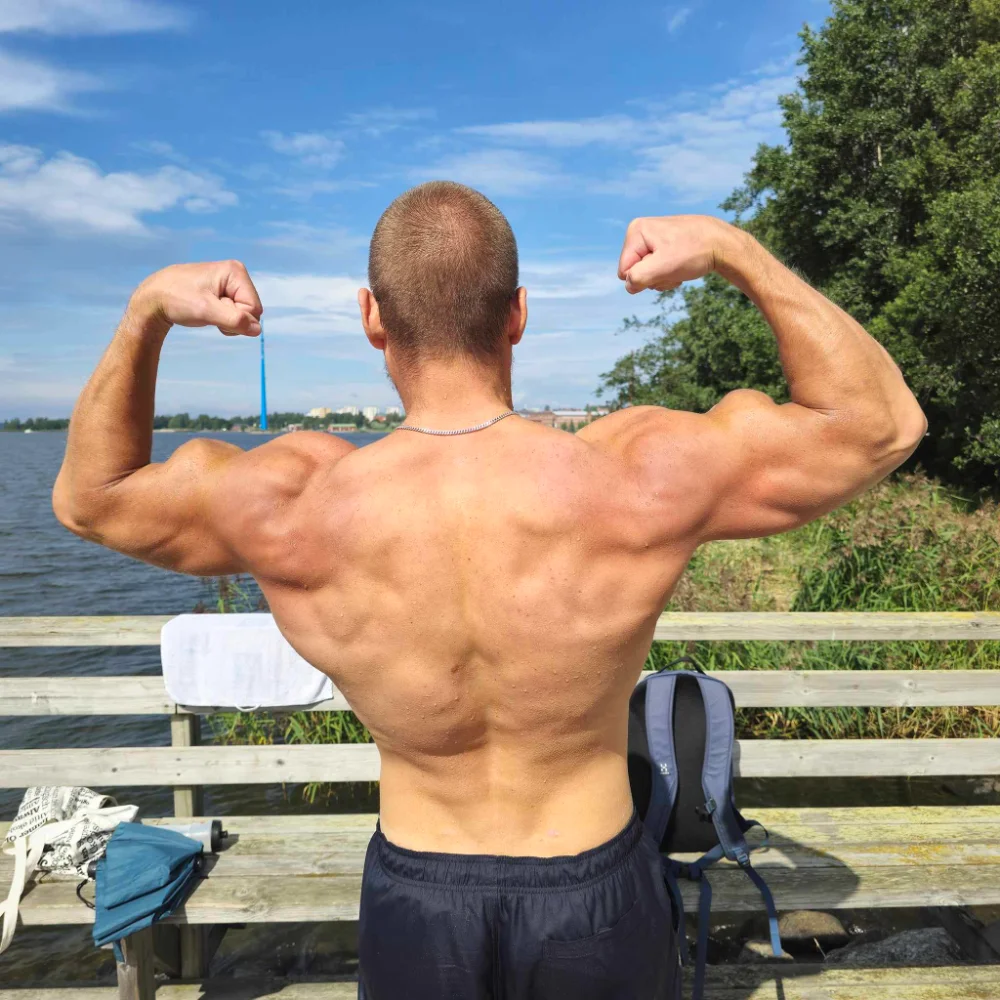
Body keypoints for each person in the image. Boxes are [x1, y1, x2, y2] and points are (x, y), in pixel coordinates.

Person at [53, 182, 925, 999]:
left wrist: (148, 310)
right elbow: (880, 426)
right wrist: (735, 250)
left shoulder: (295, 502)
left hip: (418, 901)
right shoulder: (636, 475)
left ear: (371, 319)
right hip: (597, 891)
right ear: (518, 314)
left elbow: (90, 498)